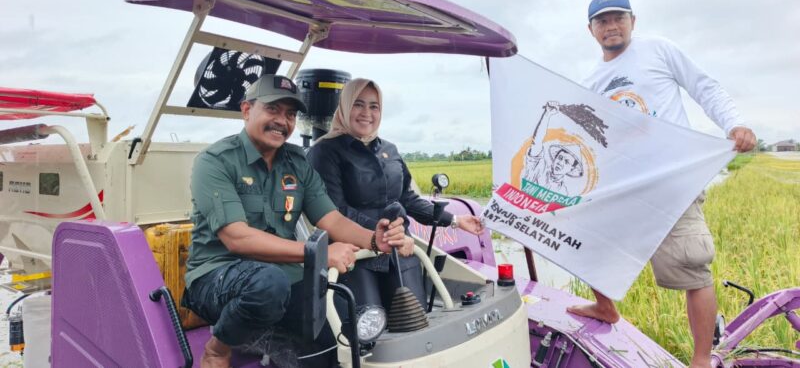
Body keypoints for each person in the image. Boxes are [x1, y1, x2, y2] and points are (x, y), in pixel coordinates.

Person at [568, 0, 756, 368]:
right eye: (602, 21)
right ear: (591, 30)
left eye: (618, 17)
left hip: (673, 184)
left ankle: (701, 358)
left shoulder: (658, 50)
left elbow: (704, 86)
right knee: (583, 241)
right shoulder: (590, 80)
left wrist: (733, 123)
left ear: (632, 21)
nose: (611, 26)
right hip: (623, 184)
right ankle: (605, 307)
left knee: (691, 264)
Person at [182, 74, 411, 368]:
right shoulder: (215, 161)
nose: (283, 121)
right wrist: (319, 254)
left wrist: (372, 239)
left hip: (281, 275)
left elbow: (329, 217)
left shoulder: (296, 162)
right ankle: (218, 347)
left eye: (290, 114)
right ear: (247, 110)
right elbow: (237, 238)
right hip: (216, 276)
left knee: (341, 319)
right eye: (273, 110)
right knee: (269, 285)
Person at [306, 78, 485, 317]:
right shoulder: (324, 151)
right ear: (345, 106)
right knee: (368, 327)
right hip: (355, 255)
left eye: (374, 106)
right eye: (358, 104)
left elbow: (407, 199)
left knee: (414, 319)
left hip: (400, 251)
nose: (367, 113)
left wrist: (455, 220)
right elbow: (336, 210)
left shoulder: (388, 149)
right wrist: (388, 235)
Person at [522, 101, 585, 196]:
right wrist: (547, 115)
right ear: (555, 158)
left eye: (567, 162)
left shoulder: (563, 192)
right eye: (560, 158)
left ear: (571, 169)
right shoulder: (539, 167)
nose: (560, 162)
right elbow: (537, 142)